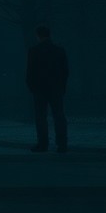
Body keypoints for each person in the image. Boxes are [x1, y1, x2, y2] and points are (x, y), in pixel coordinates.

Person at [26, 25, 69, 153]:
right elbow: (65, 71)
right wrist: (62, 86)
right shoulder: (59, 50)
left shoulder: (34, 51)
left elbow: (30, 72)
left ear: (38, 36)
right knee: (59, 116)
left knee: (41, 117)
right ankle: (62, 144)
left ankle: (43, 144)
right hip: (56, 88)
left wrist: (32, 87)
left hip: (39, 88)